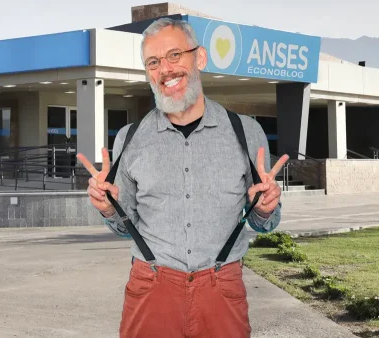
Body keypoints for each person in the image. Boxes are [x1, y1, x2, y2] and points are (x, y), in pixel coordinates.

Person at [76, 17, 289, 338]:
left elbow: (263, 222)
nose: (165, 69)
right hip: (151, 287)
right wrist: (109, 209)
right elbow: (126, 228)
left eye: (175, 55)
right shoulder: (129, 139)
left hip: (222, 288)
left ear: (199, 57)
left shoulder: (246, 132)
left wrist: (264, 209)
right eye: (153, 61)